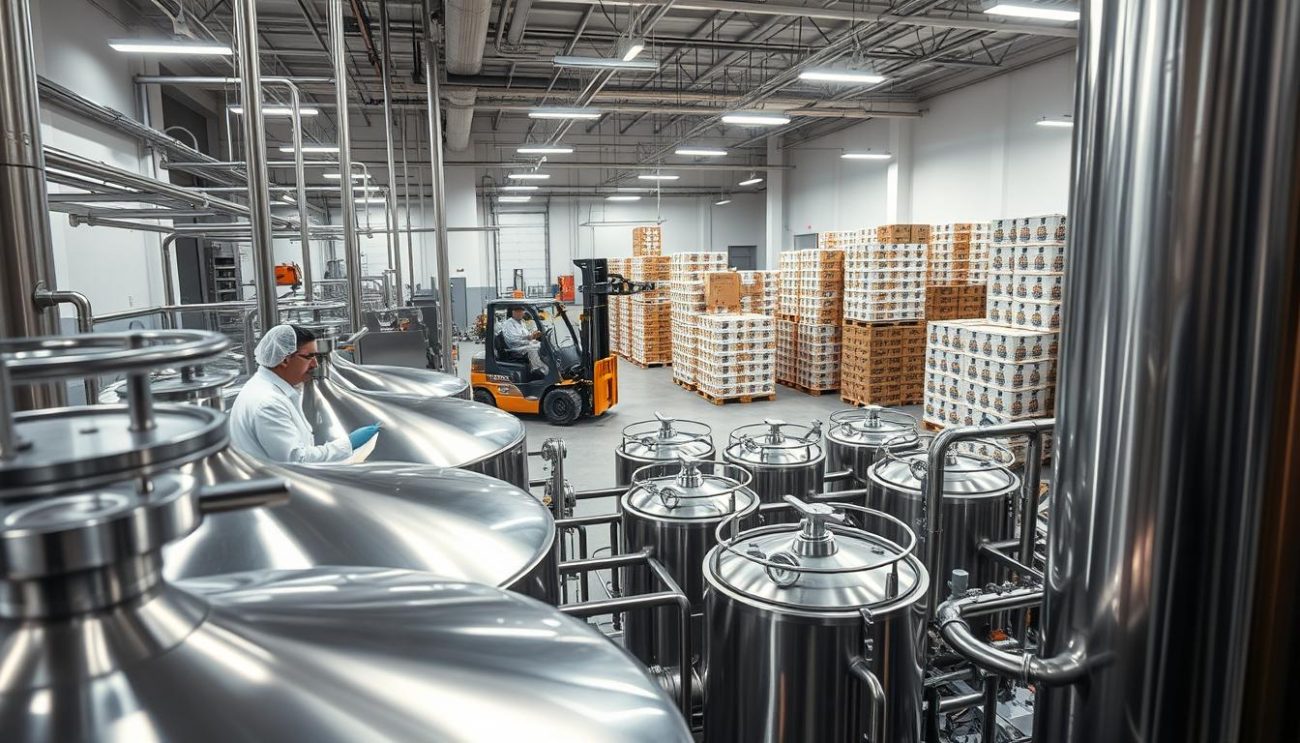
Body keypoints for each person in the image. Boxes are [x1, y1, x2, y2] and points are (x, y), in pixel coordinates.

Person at [229, 323, 380, 463]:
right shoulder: (267, 403)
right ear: (285, 360)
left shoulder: (271, 388)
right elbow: (297, 460)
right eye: (309, 357)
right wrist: (348, 444)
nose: (315, 364)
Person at [500, 305, 549, 377]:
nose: (521, 313)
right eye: (518, 311)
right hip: (514, 348)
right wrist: (529, 340)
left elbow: (526, 334)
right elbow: (513, 340)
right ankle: (538, 370)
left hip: (523, 345)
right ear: (513, 312)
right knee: (533, 348)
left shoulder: (522, 322)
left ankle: (547, 367)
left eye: (522, 311)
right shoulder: (508, 324)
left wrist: (533, 335)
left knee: (543, 345)